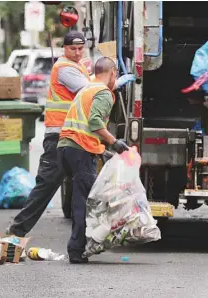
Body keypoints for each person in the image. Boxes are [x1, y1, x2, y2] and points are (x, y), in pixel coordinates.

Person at [6, 31, 90, 237]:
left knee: (84, 185)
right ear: (65, 48)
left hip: (73, 136)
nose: (78, 53)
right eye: (73, 49)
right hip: (59, 137)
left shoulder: (78, 66)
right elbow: (89, 91)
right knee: (47, 186)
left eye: (81, 49)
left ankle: (83, 239)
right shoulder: (64, 68)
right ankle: (16, 231)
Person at [57, 57, 131, 263]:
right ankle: (77, 249)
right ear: (113, 73)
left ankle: (78, 246)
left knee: (79, 198)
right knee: (86, 202)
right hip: (79, 149)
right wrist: (114, 142)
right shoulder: (104, 93)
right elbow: (95, 122)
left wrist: (101, 151)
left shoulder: (87, 89)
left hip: (66, 148)